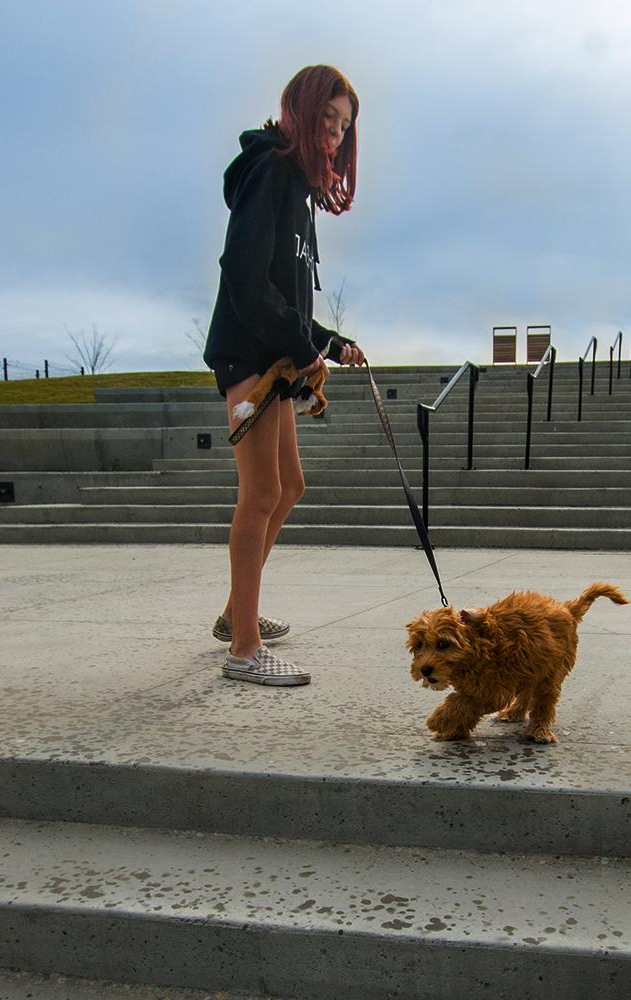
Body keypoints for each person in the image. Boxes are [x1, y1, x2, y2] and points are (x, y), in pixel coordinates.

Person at [203, 65, 367, 686]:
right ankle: (244, 650)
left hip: (276, 356)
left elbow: (289, 300)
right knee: (262, 494)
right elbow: (245, 280)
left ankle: (233, 614)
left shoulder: (299, 191)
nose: (333, 133)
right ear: (300, 110)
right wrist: (303, 349)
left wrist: (330, 342)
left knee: (290, 485)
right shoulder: (270, 170)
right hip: (251, 357)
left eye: (344, 125)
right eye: (327, 117)